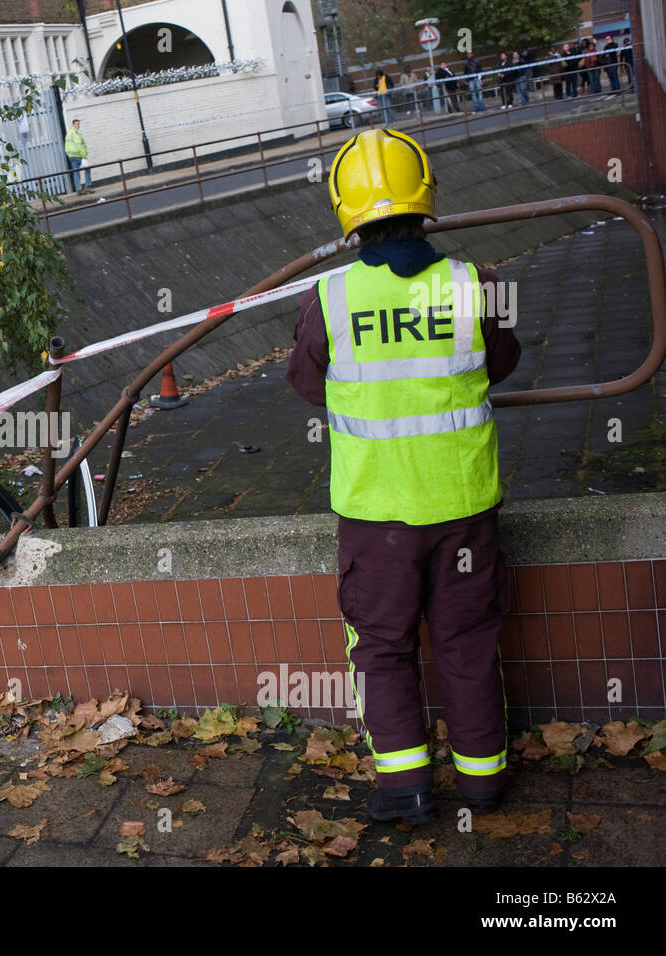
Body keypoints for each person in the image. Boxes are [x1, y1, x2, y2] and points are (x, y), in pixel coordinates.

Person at [288, 128, 522, 825]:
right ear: (427, 201)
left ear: (345, 210)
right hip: (464, 506)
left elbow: (306, 382)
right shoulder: (475, 283)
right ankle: (484, 784)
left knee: (383, 650)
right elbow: (501, 362)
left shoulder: (328, 299)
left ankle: (406, 789)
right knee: (468, 642)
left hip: (375, 515)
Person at [64, 118, 91, 194]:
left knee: (76, 172)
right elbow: (79, 145)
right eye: (77, 124)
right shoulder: (75, 133)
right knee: (87, 169)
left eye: (79, 124)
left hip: (71, 156)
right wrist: (83, 156)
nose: (78, 125)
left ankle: (78, 189)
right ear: (73, 124)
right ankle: (88, 186)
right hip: (78, 155)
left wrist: (69, 155)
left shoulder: (69, 132)